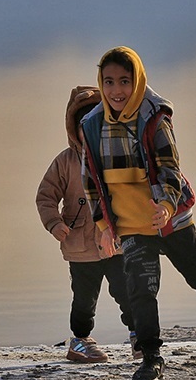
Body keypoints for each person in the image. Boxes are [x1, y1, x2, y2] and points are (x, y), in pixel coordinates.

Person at [80, 46, 196, 380]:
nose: (116, 91)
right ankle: (152, 358)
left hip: (170, 220)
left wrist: (167, 206)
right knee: (140, 289)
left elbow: (170, 169)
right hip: (130, 225)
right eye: (109, 82)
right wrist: (103, 226)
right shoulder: (93, 125)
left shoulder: (154, 118)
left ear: (137, 81)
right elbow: (91, 181)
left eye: (124, 81)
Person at [37, 85, 136, 364]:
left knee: (128, 291)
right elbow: (45, 196)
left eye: (98, 122)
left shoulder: (119, 157)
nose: (91, 130)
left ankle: (139, 335)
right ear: (74, 129)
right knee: (83, 300)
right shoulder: (65, 162)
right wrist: (54, 223)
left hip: (117, 244)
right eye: (84, 124)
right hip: (79, 247)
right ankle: (80, 341)